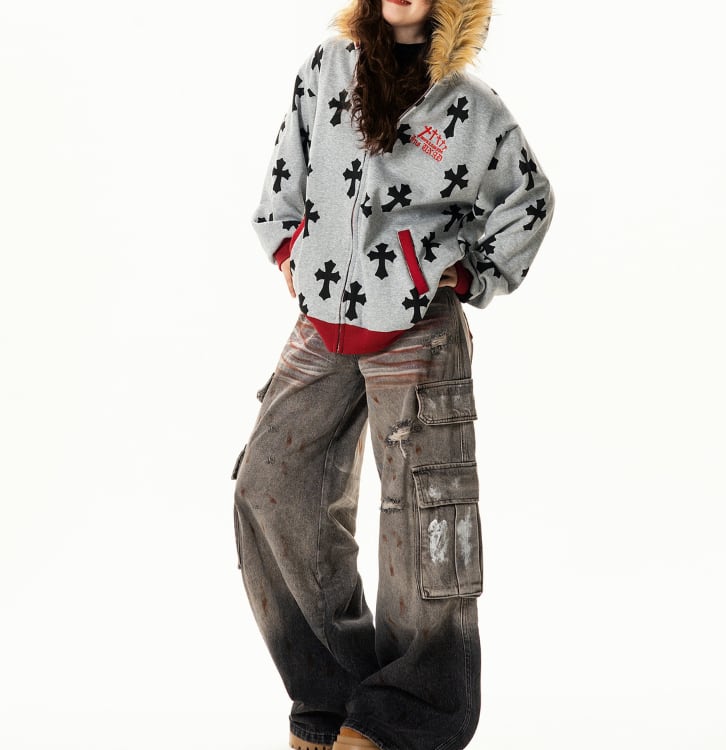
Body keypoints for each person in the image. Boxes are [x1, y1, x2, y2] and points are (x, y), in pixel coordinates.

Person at [232, 1, 555, 748]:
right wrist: (291, 247)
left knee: (422, 518)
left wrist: (466, 272)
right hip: (326, 316)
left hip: (417, 326)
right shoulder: (327, 67)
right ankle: (336, 698)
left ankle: (411, 717)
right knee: (270, 482)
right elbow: (288, 164)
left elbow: (530, 199)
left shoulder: (469, 107)